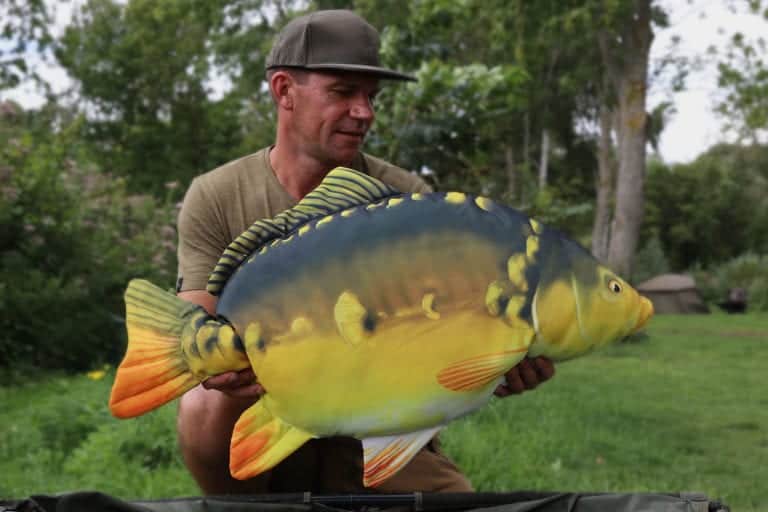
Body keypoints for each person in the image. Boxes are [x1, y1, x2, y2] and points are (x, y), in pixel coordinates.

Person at [175, 9, 555, 495]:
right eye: (342, 92)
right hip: (266, 416)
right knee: (200, 399)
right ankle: (239, 503)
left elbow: (444, 327)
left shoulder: (407, 197)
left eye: (371, 97)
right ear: (284, 90)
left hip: (379, 424)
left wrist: (502, 359)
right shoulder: (217, 194)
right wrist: (227, 366)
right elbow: (191, 328)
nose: (365, 112)